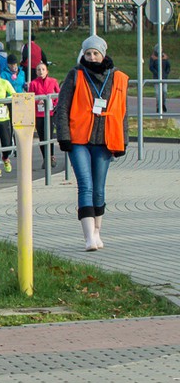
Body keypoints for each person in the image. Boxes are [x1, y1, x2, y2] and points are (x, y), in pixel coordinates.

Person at [54, 35, 128, 252]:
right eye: (88, 53)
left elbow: (123, 113)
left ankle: (97, 231)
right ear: (83, 55)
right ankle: (88, 237)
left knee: (99, 188)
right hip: (78, 139)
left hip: (105, 140)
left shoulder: (117, 78)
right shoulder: (75, 75)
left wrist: (123, 141)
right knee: (85, 185)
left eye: (95, 53)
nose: (92, 57)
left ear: (103, 54)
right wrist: (63, 136)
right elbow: (62, 107)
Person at [28, 62, 60, 169]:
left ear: (47, 71)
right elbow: (30, 97)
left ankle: (51, 156)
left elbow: (58, 94)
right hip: (39, 114)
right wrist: (38, 102)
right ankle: (45, 158)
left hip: (50, 113)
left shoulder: (53, 81)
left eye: (43, 69)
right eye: (38, 70)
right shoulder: (33, 83)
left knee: (49, 136)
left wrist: (54, 103)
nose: (41, 72)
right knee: (42, 137)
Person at [149, 44, 171, 113]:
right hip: (156, 78)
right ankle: (158, 107)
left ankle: (163, 104)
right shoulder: (153, 57)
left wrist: (166, 73)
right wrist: (156, 73)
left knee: (164, 92)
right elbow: (151, 67)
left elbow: (168, 66)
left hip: (164, 78)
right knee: (158, 94)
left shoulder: (165, 57)